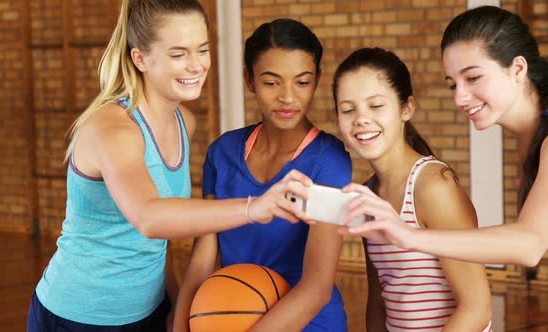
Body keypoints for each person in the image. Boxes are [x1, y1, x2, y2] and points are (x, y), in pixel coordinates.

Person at [26, 2, 311, 332]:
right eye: (178, 54)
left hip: (149, 308)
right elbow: (150, 217)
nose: (196, 65)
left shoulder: (183, 123)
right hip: (78, 316)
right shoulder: (113, 128)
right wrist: (254, 207)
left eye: (201, 50)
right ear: (140, 58)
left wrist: (176, 305)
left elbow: (158, 241)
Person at [174, 18, 351, 332]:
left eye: (302, 81)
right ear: (249, 79)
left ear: (317, 80)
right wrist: (180, 325)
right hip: (229, 315)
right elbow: (203, 257)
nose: (287, 97)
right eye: (271, 82)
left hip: (307, 323)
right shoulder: (222, 152)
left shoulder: (330, 159)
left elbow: (318, 288)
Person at [341, 5, 548, 268]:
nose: (459, 97)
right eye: (452, 84)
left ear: (518, 69)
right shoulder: (531, 139)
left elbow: (529, 245)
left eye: (473, 77)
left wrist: (408, 235)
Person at [333, 47, 493, 331]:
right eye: (348, 109)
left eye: (376, 105)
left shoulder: (433, 186)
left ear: (406, 108)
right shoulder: (369, 194)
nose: (361, 119)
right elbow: (379, 301)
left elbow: (477, 308)